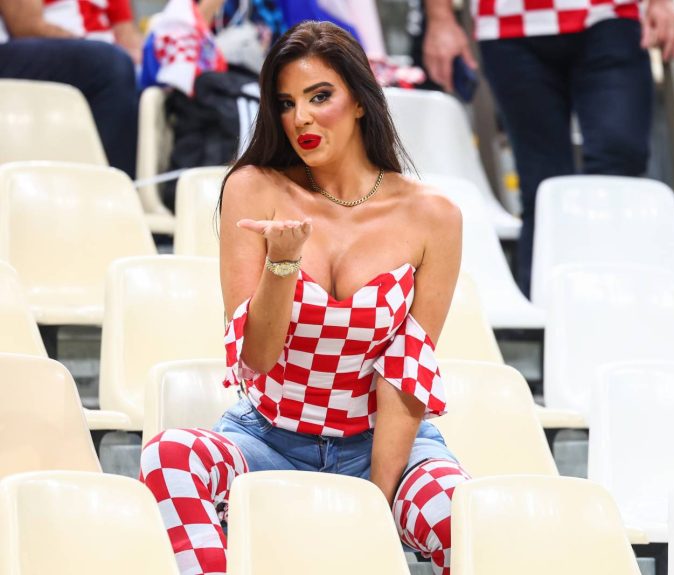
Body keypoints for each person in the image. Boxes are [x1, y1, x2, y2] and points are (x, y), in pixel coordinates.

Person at [140, 20, 469, 575]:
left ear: (360, 101)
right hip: (268, 439)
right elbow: (257, 357)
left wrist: (374, 501)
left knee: (464, 517)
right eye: (286, 103)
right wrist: (283, 264)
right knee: (168, 458)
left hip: (384, 446)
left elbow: (405, 373)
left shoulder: (434, 216)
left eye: (320, 97)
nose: (302, 119)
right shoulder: (254, 187)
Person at [422, 0, 674, 296]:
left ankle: (620, 300)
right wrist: (441, 19)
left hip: (611, 14)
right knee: (543, 188)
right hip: (507, 25)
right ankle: (547, 311)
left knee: (620, 168)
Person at [0, 0, 139, 177]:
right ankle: (111, 186)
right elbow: (26, 26)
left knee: (152, 80)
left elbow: (128, 37)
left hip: (95, 48)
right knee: (110, 64)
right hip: (17, 50)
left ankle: (156, 184)